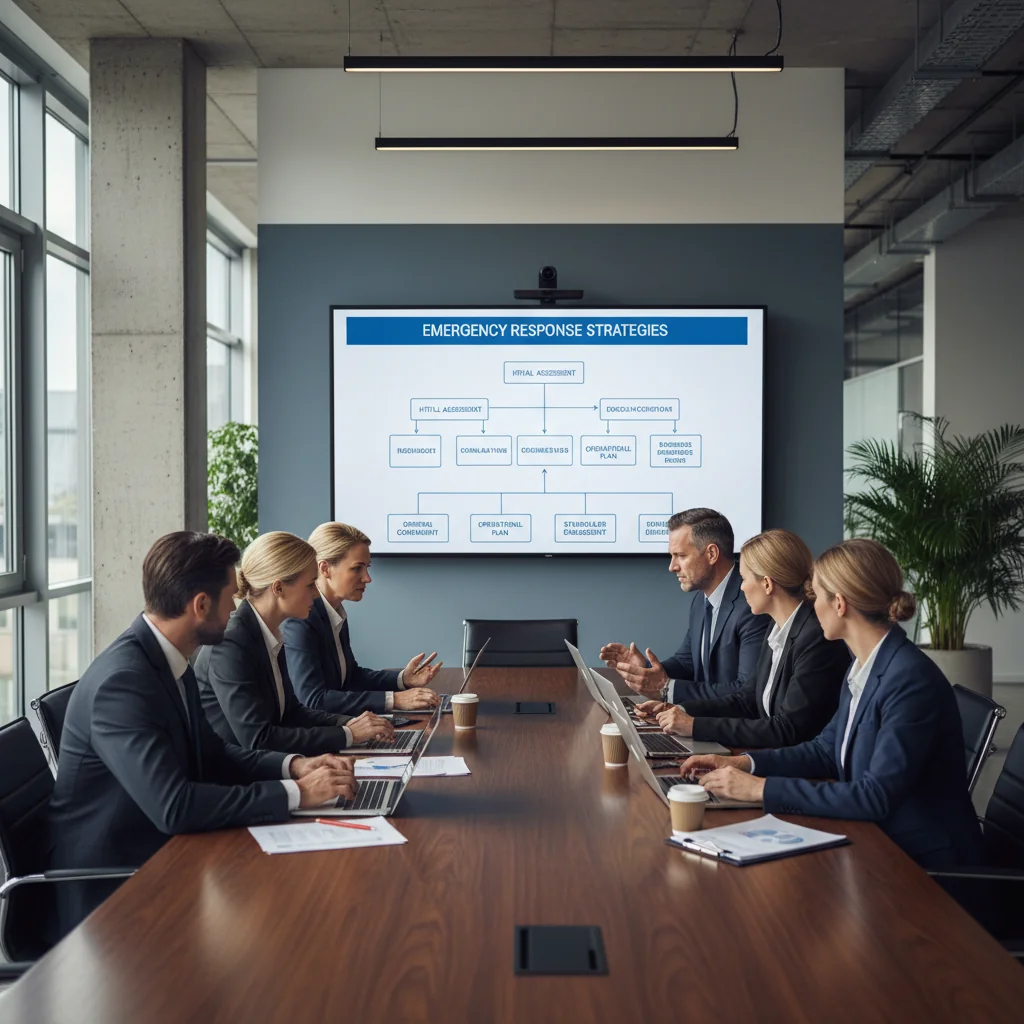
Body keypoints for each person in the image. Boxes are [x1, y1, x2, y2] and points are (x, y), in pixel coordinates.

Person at [49, 532, 358, 932]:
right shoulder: (122, 682)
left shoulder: (167, 660)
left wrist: (295, 766)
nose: (235, 607)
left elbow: (214, 753)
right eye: (230, 596)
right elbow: (174, 806)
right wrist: (299, 794)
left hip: (165, 856)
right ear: (200, 605)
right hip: (111, 892)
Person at [680, 538, 984, 869]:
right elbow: (825, 751)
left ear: (839, 604)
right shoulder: (864, 665)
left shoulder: (909, 681)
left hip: (923, 868)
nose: (812, 606)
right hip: (878, 842)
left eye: (816, 596)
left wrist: (760, 790)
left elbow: (874, 796)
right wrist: (746, 765)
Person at [636, 530, 850, 748]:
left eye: (744, 578)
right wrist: (680, 710)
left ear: (766, 584)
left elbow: (788, 729)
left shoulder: (816, 639)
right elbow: (746, 700)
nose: (741, 587)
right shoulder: (777, 627)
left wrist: (694, 726)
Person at [196, 531, 395, 755]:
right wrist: (348, 734)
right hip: (239, 780)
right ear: (278, 588)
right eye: (310, 585)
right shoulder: (231, 642)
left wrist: (350, 724)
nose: (317, 594)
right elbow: (259, 739)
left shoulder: (268, 632)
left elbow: (292, 712)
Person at [600, 508, 770, 703]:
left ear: (712, 554)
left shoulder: (752, 604)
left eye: (680, 555)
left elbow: (746, 691)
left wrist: (665, 688)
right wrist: (645, 670)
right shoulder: (701, 600)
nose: (672, 566)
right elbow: (686, 663)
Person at [283, 522, 441, 715]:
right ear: (325, 569)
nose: (367, 578)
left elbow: (350, 677)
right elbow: (313, 699)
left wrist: (403, 679)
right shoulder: (300, 621)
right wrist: (395, 700)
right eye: (357, 568)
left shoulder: (334, 612)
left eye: (366, 567)